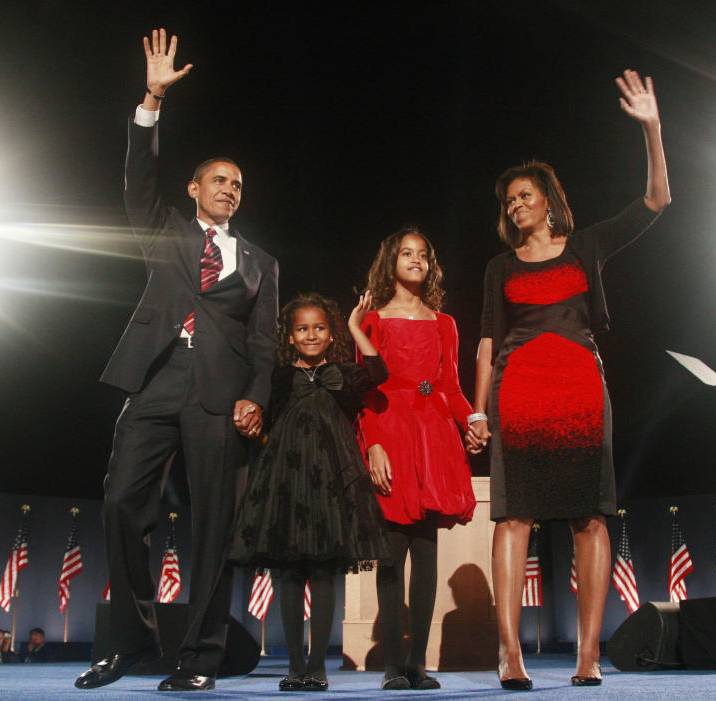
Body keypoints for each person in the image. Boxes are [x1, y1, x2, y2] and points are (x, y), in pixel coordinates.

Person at [75, 29, 278, 692]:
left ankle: (200, 657)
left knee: (216, 528)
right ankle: (131, 641)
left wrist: (257, 395)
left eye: (238, 184)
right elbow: (139, 178)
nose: (229, 189)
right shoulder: (161, 227)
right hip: (156, 379)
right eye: (218, 179)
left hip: (221, 398)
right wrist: (151, 101)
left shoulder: (260, 263)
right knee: (119, 503)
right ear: (194, 188)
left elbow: (266, 341)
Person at [467, 69, 671, 689]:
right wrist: (478, 412)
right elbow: (485, 341)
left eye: (525, 196)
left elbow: (656, 202)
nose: (515, 206)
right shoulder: (499, 266)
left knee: (591, 518)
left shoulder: (585, 248)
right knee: (513, 518)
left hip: (581, 390)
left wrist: (653, 129)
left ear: (549, 201)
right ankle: (510, 653)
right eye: (509, 201)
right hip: (519, 393)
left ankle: (589, 655)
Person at [229, 292, 390, 692]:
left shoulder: (344, 374)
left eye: (319, 328)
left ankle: (317, 666)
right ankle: (295, 666)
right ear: (290, 337)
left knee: (322, 572)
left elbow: (379, 372)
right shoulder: (279, 377)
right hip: (286, 482)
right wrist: (261, 434)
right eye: (303, 329)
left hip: (332, 483)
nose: (312, 335)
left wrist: (355, 325)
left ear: (331, 333)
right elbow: (264, 420)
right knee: (288, 571)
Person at [358, 228, 476, 690]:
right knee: (391, 556)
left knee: (427, 556)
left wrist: (474, 421)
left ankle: (417, 664)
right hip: (390, 434)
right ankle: (391, 667)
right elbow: (364, 390)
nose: (415, 260)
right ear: (391, 262)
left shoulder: (444, 323)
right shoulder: (373, 320)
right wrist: (373, 444)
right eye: (406, 254)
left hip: (434, 439)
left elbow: (452, 389)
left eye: (422, 255)